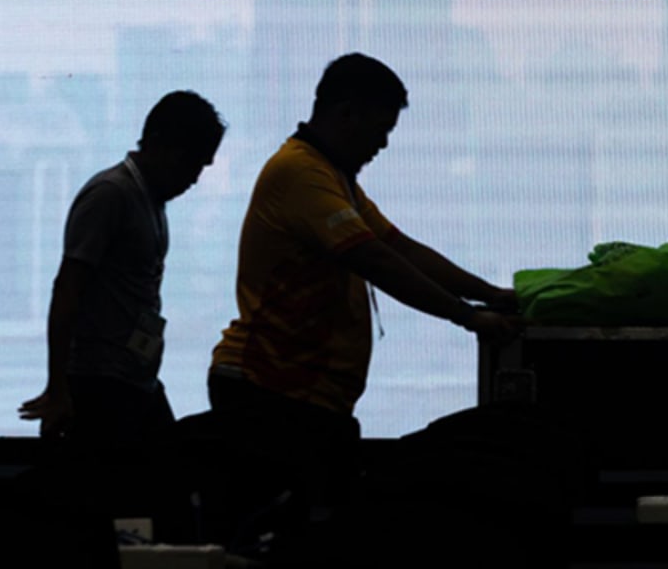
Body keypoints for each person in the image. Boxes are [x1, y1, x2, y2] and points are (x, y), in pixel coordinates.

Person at [207, 53, 515, 502]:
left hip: (303, 399)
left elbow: (398, 247)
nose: (383, 144)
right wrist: (467, 318)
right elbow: (377, 261)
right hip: (269, 392)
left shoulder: (335, 178)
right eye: (381, 128)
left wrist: (491, 295)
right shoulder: (300, 173)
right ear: (347, 113)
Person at [19, 91, 225, 447]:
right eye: (191, 163)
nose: (194, 179)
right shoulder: (111, 194)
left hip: (133, 377)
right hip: (98, 379)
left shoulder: (151, 200)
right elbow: (67, 289)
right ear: (161, 145)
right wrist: (57, 387)